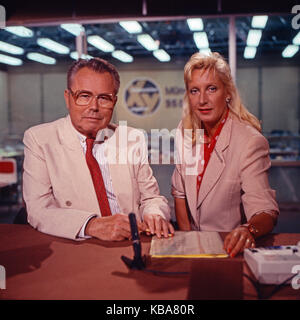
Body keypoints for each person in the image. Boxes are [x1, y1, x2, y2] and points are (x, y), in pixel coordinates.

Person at [23, 57, 174, 241]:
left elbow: (151, 198)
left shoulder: (132, 139)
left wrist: (154, 214)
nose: (94, 107)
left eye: (103, 98)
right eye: (84, 96)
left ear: (115, 101)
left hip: (131, 242)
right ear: (68, 98)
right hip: (77, 246)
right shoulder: (40, 139)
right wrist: (92, 225)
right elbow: (39, 210)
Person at [171, 52, 279, 257]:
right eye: (195, 91)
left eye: (211, 89)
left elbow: (265, 210)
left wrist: (249, 230)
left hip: (229, 249)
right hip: (195, 249)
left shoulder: (249, 142)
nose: (202, 100)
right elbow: (179, 193)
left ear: (227, 92)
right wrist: (188, 242)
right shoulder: (185, 132)